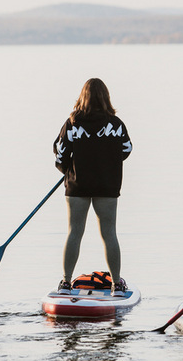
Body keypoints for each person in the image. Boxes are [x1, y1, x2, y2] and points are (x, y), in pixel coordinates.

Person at [53, 78, 133, 294]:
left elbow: (60, 153)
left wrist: (67, 169)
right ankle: (116, 283)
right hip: (107, 186)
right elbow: (126, 149)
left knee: (74, 232)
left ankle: (66, 283)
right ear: (106, 97)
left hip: (77, 186)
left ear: (82, 97)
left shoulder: (72, 123)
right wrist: (107, 163)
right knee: (109, 233)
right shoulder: (116, 125)